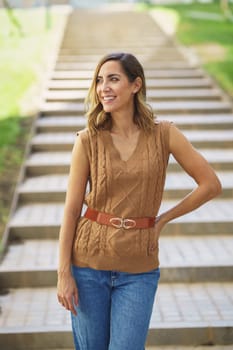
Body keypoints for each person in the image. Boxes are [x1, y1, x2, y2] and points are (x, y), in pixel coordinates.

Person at [57, 52, 222, 350]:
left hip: (139, 270)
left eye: (113, 79)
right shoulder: (87, 139)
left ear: (136, 85)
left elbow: (210, 184)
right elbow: (71, 210)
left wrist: (163, 219)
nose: (103, 87)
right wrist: (63, 273)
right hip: (87, 267)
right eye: (99, 80)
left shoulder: (165, 134)